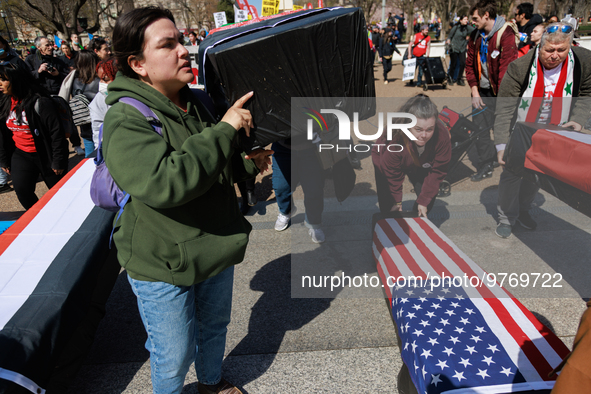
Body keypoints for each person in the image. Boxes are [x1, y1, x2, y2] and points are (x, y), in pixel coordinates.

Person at [103, 7, 272, 394]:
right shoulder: (125, 119)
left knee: (214, 327)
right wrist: (225, 128)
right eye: (168, 44)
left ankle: (211, 382)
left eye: (181, 40)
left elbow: (215, 166)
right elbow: (166, 183)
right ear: (138, 64)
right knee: (173, 353)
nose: (184, 50)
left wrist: (248, 164)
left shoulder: (196, 101)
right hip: (162, 260)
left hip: (212, 244)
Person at [493, 21, 591, 238]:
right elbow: (505, 107)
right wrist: (501, 144)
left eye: (561, 50)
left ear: (570, 46)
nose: (555, 55)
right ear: (540, 46)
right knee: (511, 171)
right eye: (549, 50)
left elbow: (586, 92)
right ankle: (506, 216)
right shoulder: (520, 67)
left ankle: (525, 209)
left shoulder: (584, 62)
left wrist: (577, 120)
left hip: (554, 128)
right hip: (521, 126)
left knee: (536, 172)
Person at [0, 64, 69, 210]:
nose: (0, 84)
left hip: (46, 154)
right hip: (21, 154)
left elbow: (56, 133)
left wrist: (58, 161)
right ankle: (40, 218)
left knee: (62, 194)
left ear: (16, 79)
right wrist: (4, 159)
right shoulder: (5, 101)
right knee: (22, 191)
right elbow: (3, 134)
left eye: (3, 80)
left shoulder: (41, 101)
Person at [372, 94, 451, 216]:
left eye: (430, 129)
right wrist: (397, 202)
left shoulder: (442, 136)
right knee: (389, 205)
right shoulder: (395, 137)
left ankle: (417, 224)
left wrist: (424, 201)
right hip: (387, 162)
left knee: (427, 200)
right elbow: (391, 173)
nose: (424, 135)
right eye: (418, 129)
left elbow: (438, 171)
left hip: (422, 162)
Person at [465, 0, 518, 181]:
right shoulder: (475, 36)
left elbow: (506, 69)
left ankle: (509, 161)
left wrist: (502, 99)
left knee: (502, 127)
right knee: (479, 128)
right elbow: (469, 65)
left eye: (475, 18)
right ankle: (486, 163)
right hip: (481, 90)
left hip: (501, 92)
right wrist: (474, 91)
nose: (472, 22)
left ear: (486, 15)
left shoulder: (506, 34)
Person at [66, 50, 100, 157]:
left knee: (89, 159)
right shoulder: (100, 80)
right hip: (100, 126)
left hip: (84, 125)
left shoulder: (74, 80)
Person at [89, 58, 117, 148]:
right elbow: (98, 129)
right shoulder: (99, 99)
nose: (101, 83)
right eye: (100, 79)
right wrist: (100, 150)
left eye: (106, 80)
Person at [446, 15, 475, 85]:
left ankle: (459, 79)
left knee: (463, 63)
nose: (466, 21)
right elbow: (449, 37)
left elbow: (476, 30)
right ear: (461, 20)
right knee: (453, 64)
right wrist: (448, 43)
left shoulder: (467, 28)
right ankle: (450, 78)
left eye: (467, 19)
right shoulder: (456, 28)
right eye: (465, 19)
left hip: (462, 48)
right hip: (454, 48)